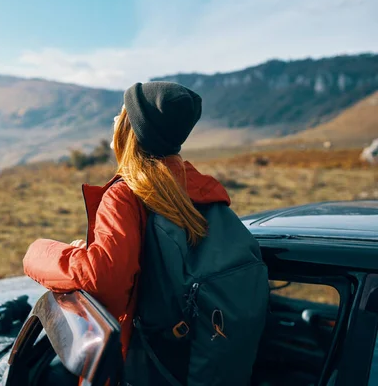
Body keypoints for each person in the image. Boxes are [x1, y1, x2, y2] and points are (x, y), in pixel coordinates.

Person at [23, 81, 234, 384]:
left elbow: (102, 276)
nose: (113, 121)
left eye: (120, 114)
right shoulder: (205, 193)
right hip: (191, 355)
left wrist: (36, 252)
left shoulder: (127, 194)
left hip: (140, 362)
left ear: (132, 128)